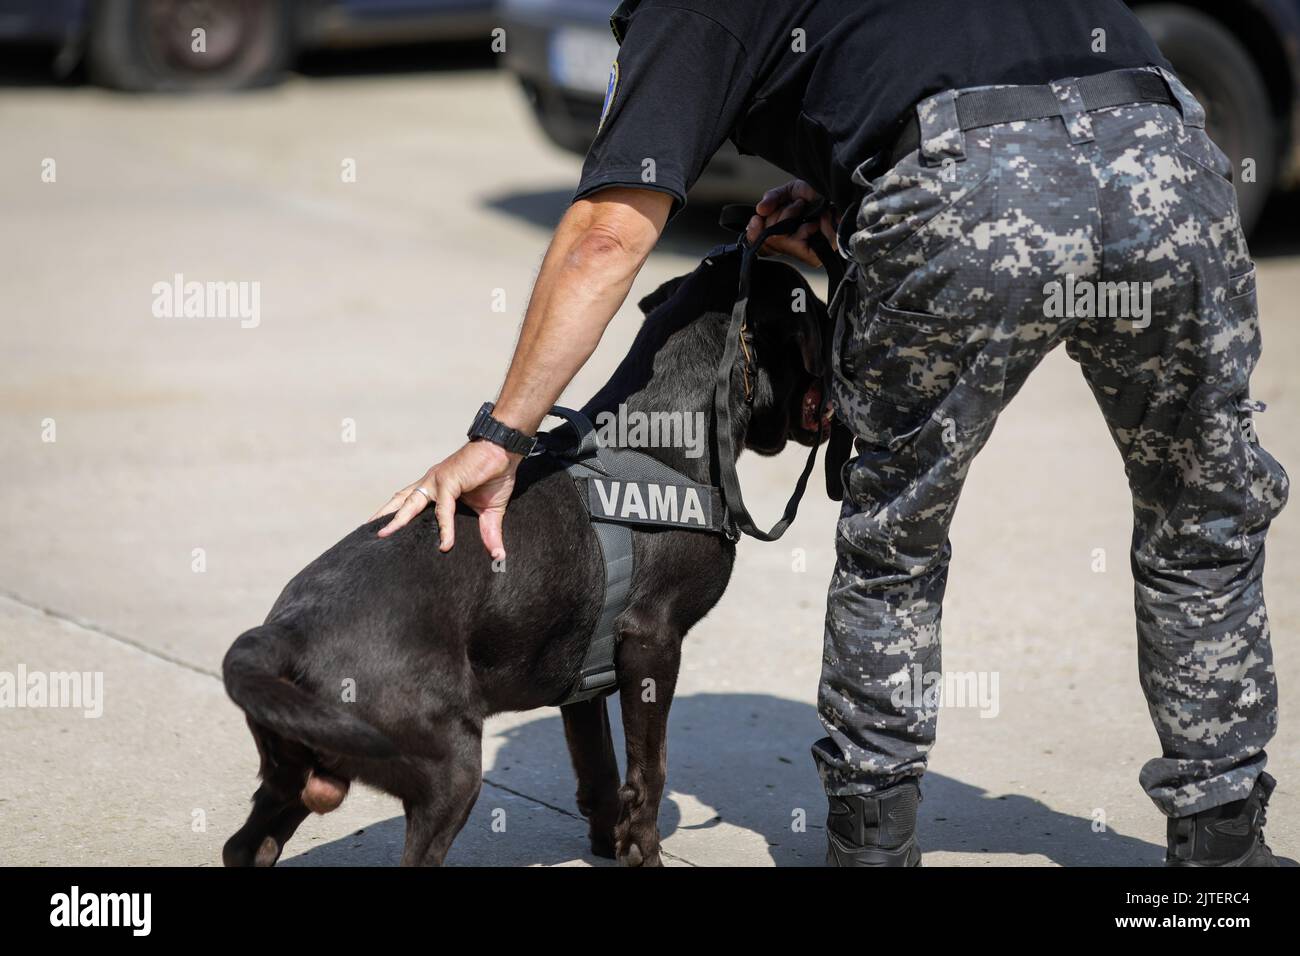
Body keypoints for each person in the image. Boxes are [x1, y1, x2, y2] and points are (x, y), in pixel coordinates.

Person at [371, 0, 1289, 866]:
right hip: (1167, 154)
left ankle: (872, 842)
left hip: (971, 184)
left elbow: (608, 235)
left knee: (898, 538)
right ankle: (1223, 853)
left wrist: (502, 435)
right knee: (1202, 524)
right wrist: (846, 173)